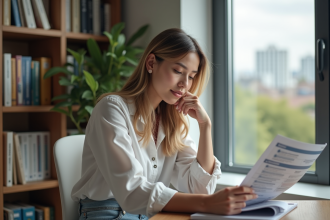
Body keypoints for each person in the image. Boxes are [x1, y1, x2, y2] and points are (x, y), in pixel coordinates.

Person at [71, 28, 258, 220]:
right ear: (151, 63)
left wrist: (205, 126)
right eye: (178, 71)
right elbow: (131, 191)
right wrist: (207, 203)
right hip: (108, 213)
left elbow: (199, 187)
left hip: (149, 214)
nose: (185, 83)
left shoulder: (172, 120)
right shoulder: (111, 109)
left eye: (192, 76)